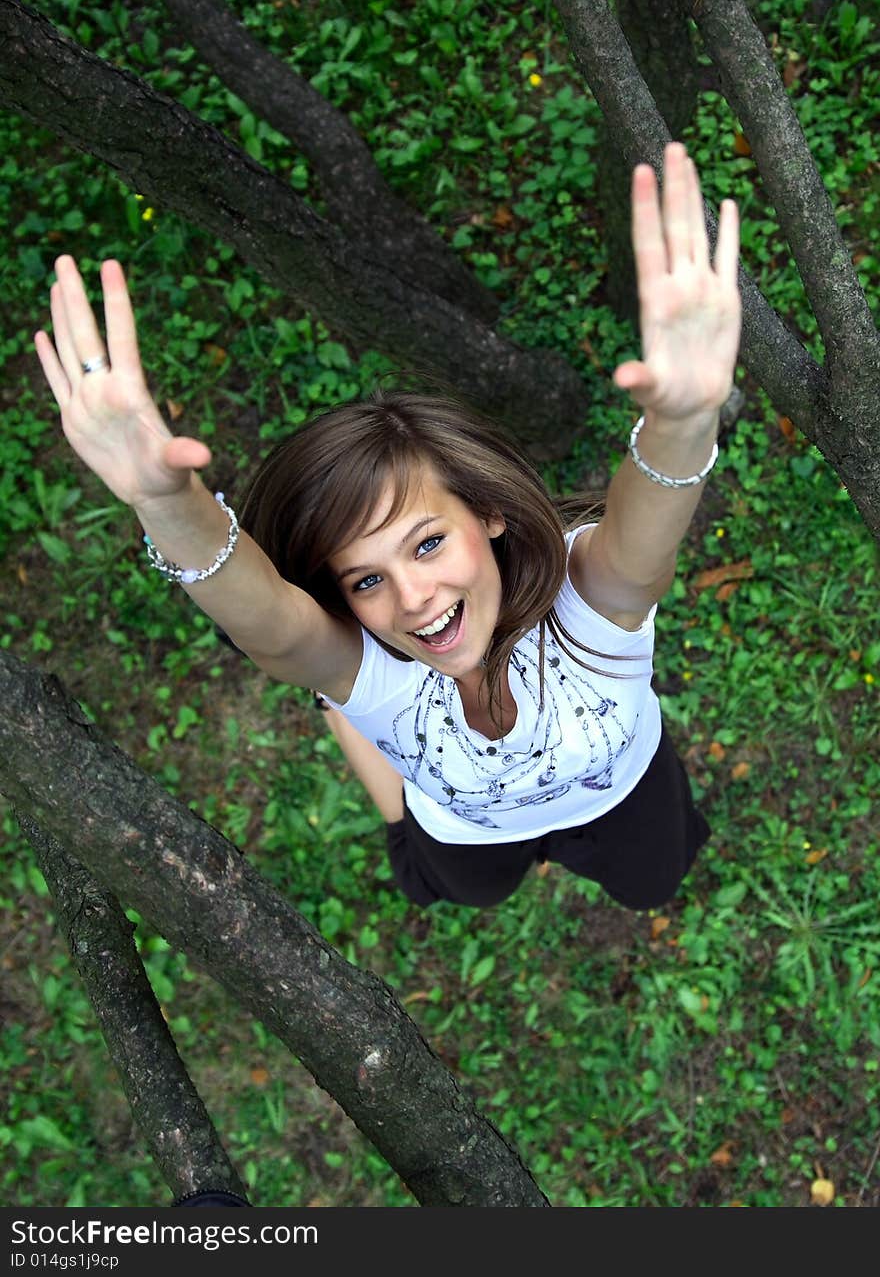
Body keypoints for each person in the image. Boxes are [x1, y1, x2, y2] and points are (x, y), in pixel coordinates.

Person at [34, 142, 741, 913]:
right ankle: (338, 704)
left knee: (652, 886)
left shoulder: (588, 607)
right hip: (462, 830)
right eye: (365, 579)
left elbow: (643, 545)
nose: (412, 598)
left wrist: (684, 420)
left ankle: (335, 698)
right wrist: (164, 502)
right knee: (436, 873)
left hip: (624, 795)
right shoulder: (378, 664)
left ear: (490, 512)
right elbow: (272, 627)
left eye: (428, 543)